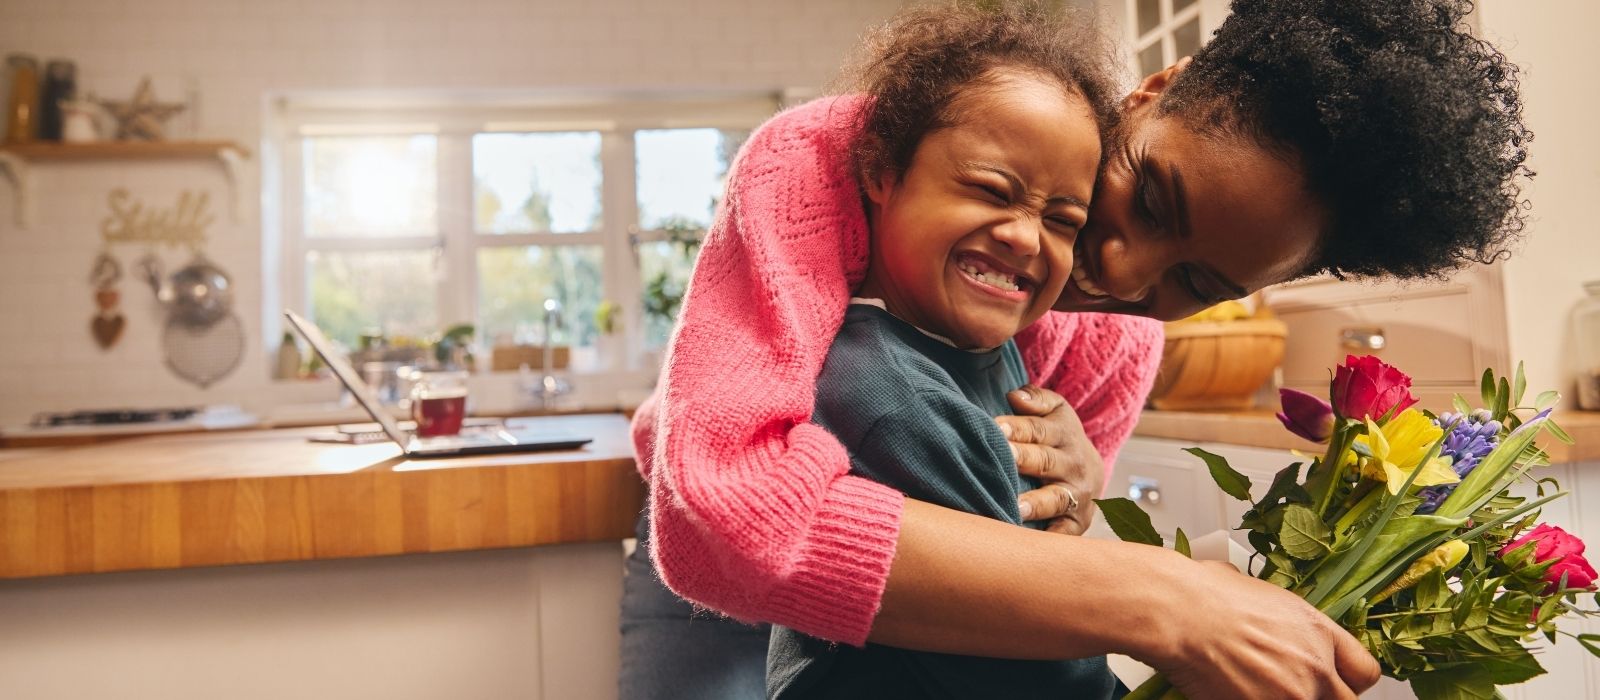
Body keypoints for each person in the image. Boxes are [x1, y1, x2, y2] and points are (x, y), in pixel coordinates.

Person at [620, 1, 1531, 698]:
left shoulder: (1116, 337)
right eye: (1150, 196)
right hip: (711, 580)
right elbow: (721, 518)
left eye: (1196, 285)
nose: (1123, 275)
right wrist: (1162, 598)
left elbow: (1026, 549)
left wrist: (1079, 485)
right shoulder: (825, 160)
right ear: (1150, 94)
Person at [758, 8, 1122, 698]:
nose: (1025, 236)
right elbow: (1030, 645)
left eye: (1062, 220)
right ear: (882, 172)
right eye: (992, 189)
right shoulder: (894, 398)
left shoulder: (976, 340)